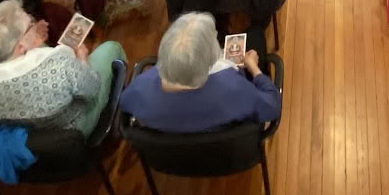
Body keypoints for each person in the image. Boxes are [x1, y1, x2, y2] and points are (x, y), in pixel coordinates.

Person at [0, 0, 126, 135]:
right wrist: (82, 60)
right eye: (31, 24)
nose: (34, 23)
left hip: (26, 137)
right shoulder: (60, 65)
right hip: (71, 131)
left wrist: (33, 39)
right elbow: (91, 88)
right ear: (20, 47)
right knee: (111, 48)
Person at [120, 13, 282, 132]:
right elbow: (272, 106)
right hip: (224, 148)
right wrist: (254, 67)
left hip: (173, 156)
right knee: (255, 34)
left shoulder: (139, 88)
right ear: (212, 59)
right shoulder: (234, 89)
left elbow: (125, 105)